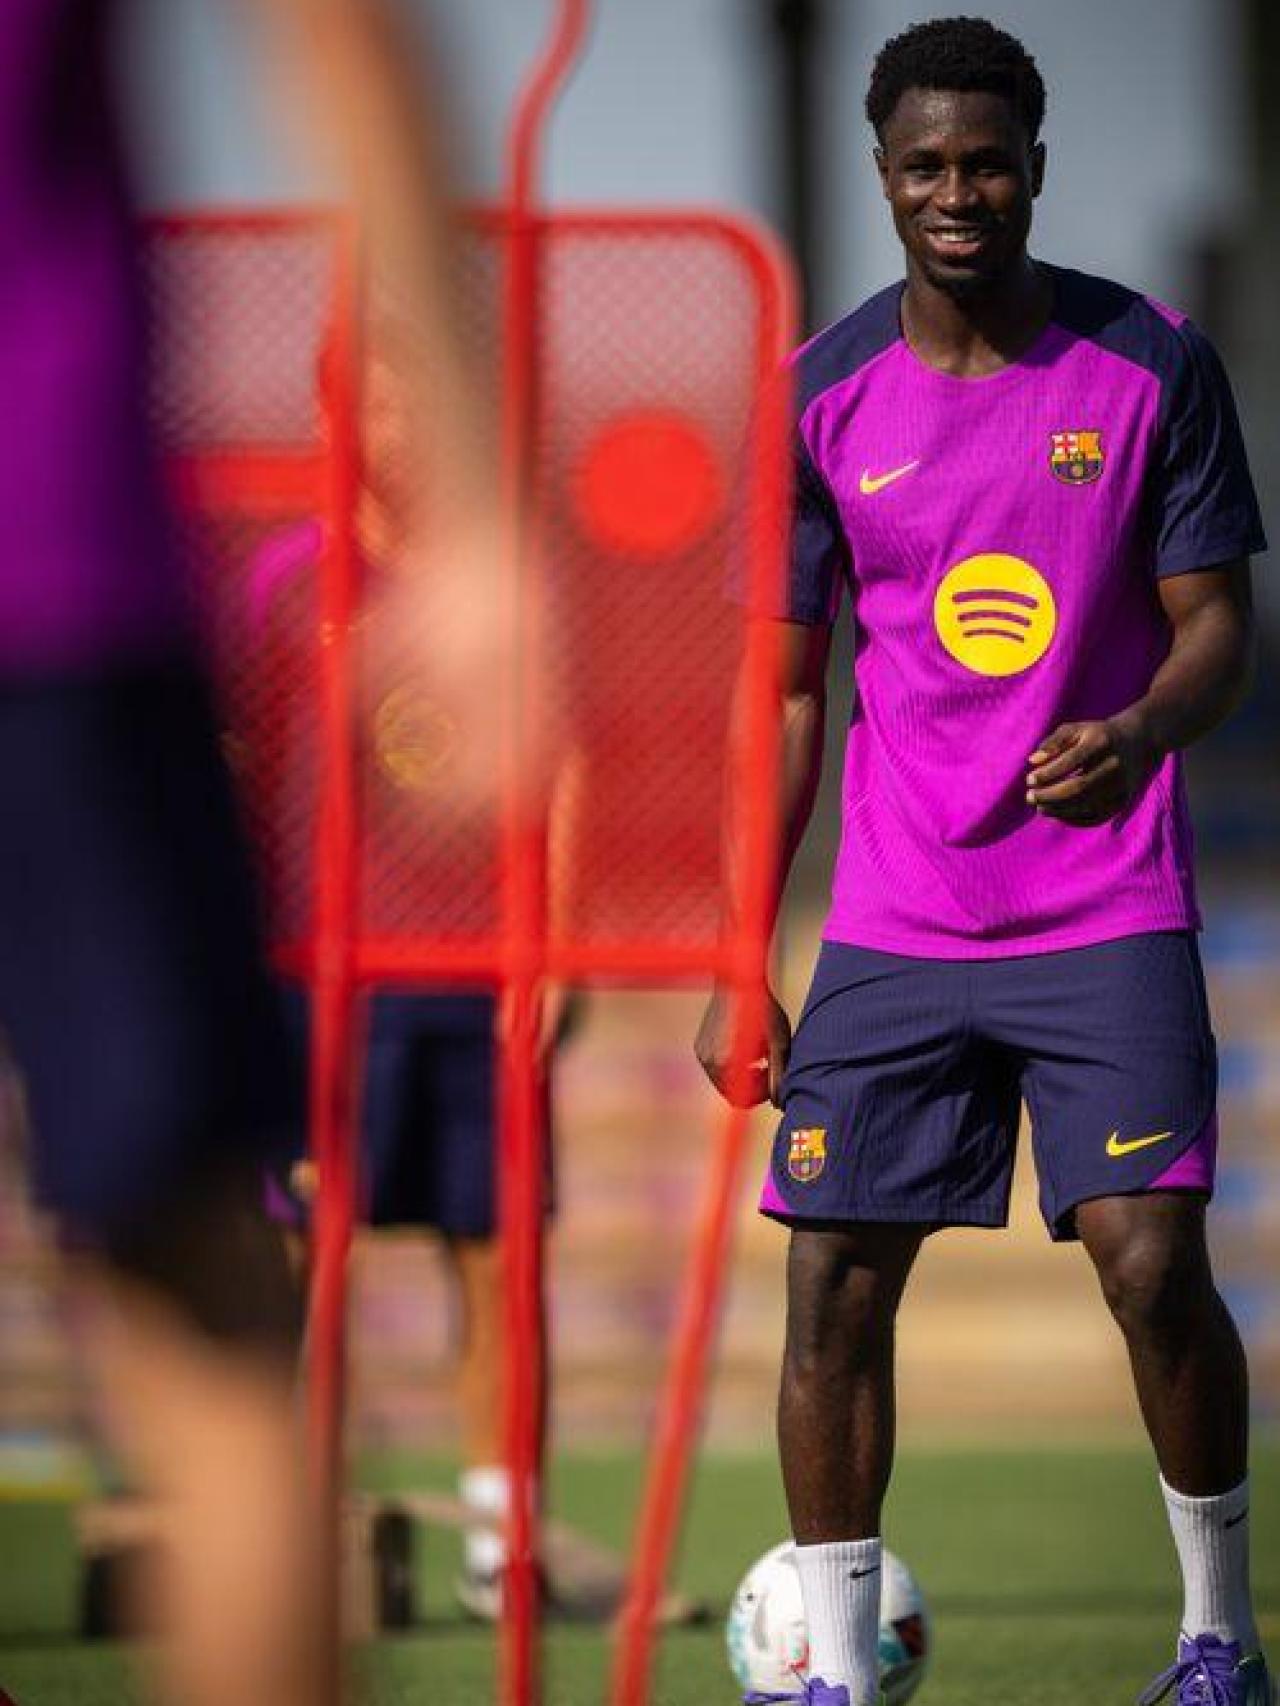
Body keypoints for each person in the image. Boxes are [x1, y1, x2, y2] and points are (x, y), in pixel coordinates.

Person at [695, 18, 1271, 1706]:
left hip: (1104, 909)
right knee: (831, 1290)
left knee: (1155, 1264)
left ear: (1039, 159)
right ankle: (841, 1676)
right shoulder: (817, 396)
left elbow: (1217, 624)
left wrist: (1146, 729)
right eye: (928, 165)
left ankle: (1219, 1640)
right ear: (884, 180)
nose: (962, 192)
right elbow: (786, 696)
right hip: (897, 914)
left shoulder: (1154, 365)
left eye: (990, 159)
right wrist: (744, 948)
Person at [0, 2, 504, 1701]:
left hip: (63, 589)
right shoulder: (287, 576)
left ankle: (501, 1515)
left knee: (261, 1267)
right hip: (49, 582)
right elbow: (340, 34)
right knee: (206, 1304)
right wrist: (489, 528)